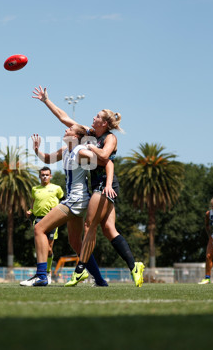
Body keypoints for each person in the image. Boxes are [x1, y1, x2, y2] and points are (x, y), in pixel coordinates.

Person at [32, 86, 144, 287]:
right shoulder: (90, 134)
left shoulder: (109, 138)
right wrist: (46, 100)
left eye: (97, 116)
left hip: (105, 184)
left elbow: (106, 159)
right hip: (94, 187)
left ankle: (79, 271)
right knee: (108, 230)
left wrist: (91, 149)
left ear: (105, 122)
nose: (93, 117)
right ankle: (132, 267)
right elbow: (64, 117)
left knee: (88, 226)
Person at [20, 126, 107, 287]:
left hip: (76, 200)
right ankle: (100, 280)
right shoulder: (66, 150)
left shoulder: (80, 151)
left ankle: (41, 275)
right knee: (75, 241)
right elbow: (47, 159)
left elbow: (102, 159)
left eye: (70, 129)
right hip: (78, 201)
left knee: (39, 228)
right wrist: (37, 150)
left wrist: (95, 149)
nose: (66, 130)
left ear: (76, 137)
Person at [25, 166, 64, 284]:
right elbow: (33, 202)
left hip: (52, 219)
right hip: (38, 219)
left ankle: (47, 272)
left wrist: (58, 208)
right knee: (41, 248)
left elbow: (64, 201)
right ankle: (42, 274)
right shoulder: (34, 189)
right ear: (39, 176)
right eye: (43, 175)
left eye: (47, 175)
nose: (45, 177)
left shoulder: (57, 188)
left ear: (50, 176)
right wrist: (30, 211)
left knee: (49, 249)